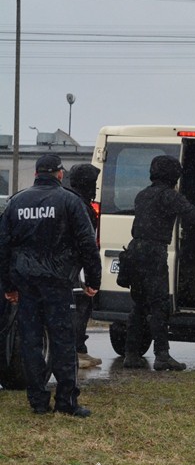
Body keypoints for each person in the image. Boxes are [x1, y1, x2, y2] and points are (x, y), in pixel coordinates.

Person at [0, 154, 102, 417]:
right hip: (58, 284)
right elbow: (87, 244)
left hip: (26, 284)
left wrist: (8, 285)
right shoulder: (69, 201)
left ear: (35, 174)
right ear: (59, 174)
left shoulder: (17, 202)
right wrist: (93, 280)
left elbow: (4, 247)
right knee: (62, 343)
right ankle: (66, 402)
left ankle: (37, 402)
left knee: (32, 343)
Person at [124, 155, 195, 371]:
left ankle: (131, 354)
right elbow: (194, 214)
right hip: (153, 252)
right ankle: (162, 355)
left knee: (139, 305)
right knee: (159, 305)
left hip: (134, 251)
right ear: (173, 176)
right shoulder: (169, 196)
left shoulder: (142, 195)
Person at [65, 163, 102, 369]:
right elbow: (86, 244)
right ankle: (76, 350)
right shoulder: (79, 205)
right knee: (80, 305)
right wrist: (92, 274)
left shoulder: (70, 200)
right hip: (73, 265)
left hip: (66, 264)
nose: (95, 188)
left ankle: (78, 349)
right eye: (93, 184)